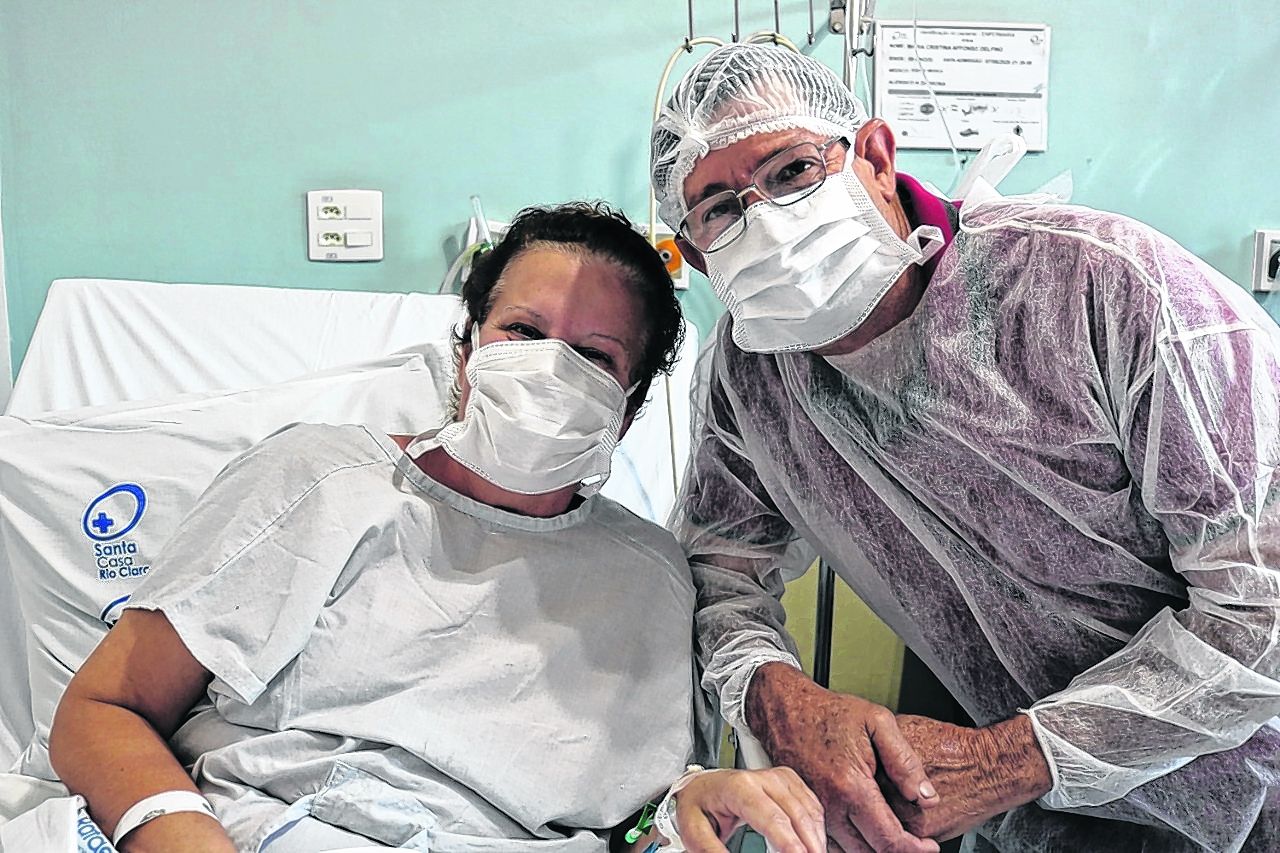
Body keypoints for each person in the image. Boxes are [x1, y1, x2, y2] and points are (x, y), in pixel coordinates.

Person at [649, 43, 1280, 853]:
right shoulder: (749, 378)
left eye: (793, 171)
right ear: (699, 256)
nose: (767, 221)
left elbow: (1265, 604)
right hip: (1039, 818)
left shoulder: (1102, 287)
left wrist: (1008, 758)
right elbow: (719, 568)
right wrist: (776, 695)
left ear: (876, 159)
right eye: (719, 210)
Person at [48, 202, 829, 853]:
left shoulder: (648, 577)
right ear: (466, 353)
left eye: (593, 355)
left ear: (627, 411)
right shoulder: (319, 480)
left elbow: (632, 821)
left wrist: (687, 803)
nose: (550, 368)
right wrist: (178, 832)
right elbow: (105, 708)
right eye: (523, 332)